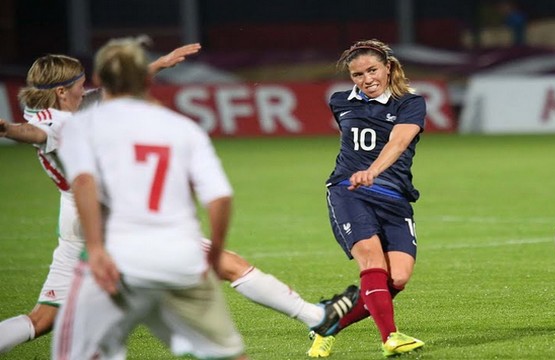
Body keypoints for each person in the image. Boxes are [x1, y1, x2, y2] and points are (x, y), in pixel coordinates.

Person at [0, 43, 357, 355]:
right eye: (79, 85)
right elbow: (32, 131)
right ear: (62, 92)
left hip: (76, 220)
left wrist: (160, 64)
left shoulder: (73, 108)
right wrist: (6, 129)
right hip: (114, 221)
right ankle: (317, 317)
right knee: (227, 266)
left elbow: (108, 91)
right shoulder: (55, 122)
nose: (86, 89)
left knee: (43, 317)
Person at [307, 39, 425, 358]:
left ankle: (328, 324)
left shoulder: (410, 103)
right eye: (357, 74)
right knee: (371, 262)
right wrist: (362, 173)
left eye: (372, 70)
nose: (366, 79)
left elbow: (399, 142)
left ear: (387, 67)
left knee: (397, 277)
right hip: (349, 191)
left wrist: (373, 170)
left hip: (394, 195)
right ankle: (391, 337)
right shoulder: (340, 101)